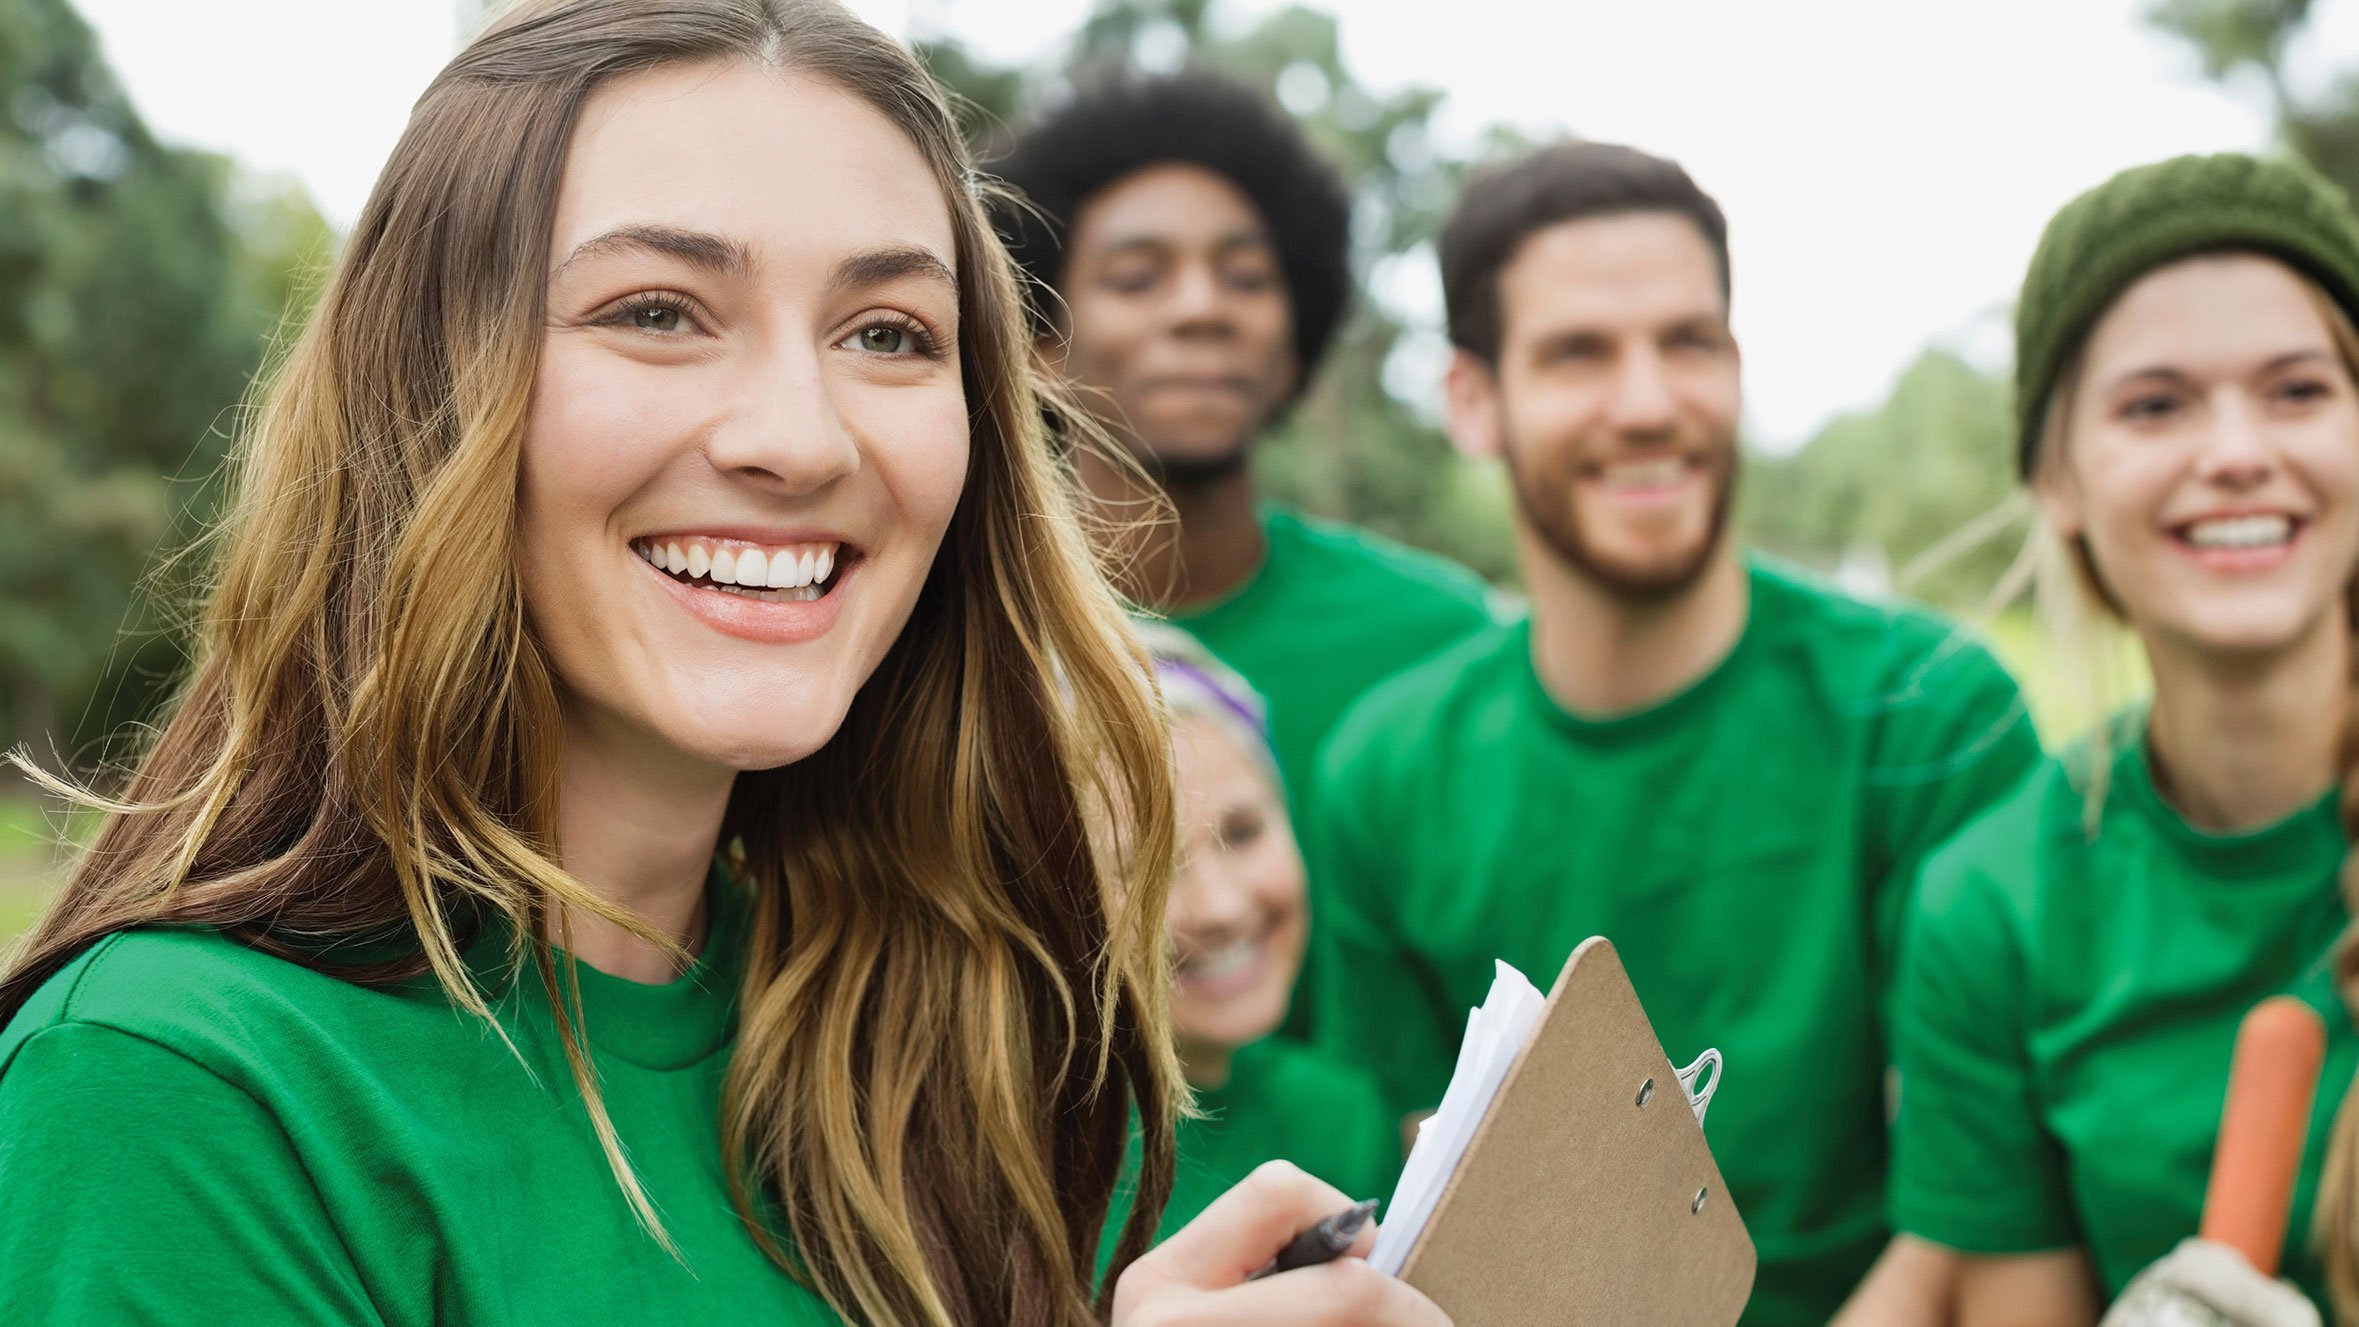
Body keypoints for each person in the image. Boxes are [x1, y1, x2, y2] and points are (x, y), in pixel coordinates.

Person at [0, 5, 1449, 1326]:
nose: (800, 436)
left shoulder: (947, 1039)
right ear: (427, 389)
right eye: (655, 312)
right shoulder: (177, 1089)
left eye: (887, 332)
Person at [1308, 140, 2041, 1327]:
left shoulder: (1934, 711)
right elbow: (1444, 1212)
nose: (1648, 403)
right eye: (1578, 353)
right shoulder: (1384, 773)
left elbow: (1973, 1210)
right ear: (1472, 400)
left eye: (1687, 343)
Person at [1844, 152, 2359, 1327]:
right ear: (2056, 479)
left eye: (2296, 390)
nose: (2234, 450)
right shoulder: (1993, 906)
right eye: (2155, 404)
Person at [988, 68, 1499, 880]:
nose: (1201, 308)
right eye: (1136, 278)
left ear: (1292, 342)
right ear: (1039, 346)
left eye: (1247, 277)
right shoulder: (963, 646)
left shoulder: (1447, 646)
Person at [1098, 625, 1396, 1275]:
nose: (1222, 906)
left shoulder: (1343, 1116)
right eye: (1149, 871)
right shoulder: (1020, 1171)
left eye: (1242, 830)